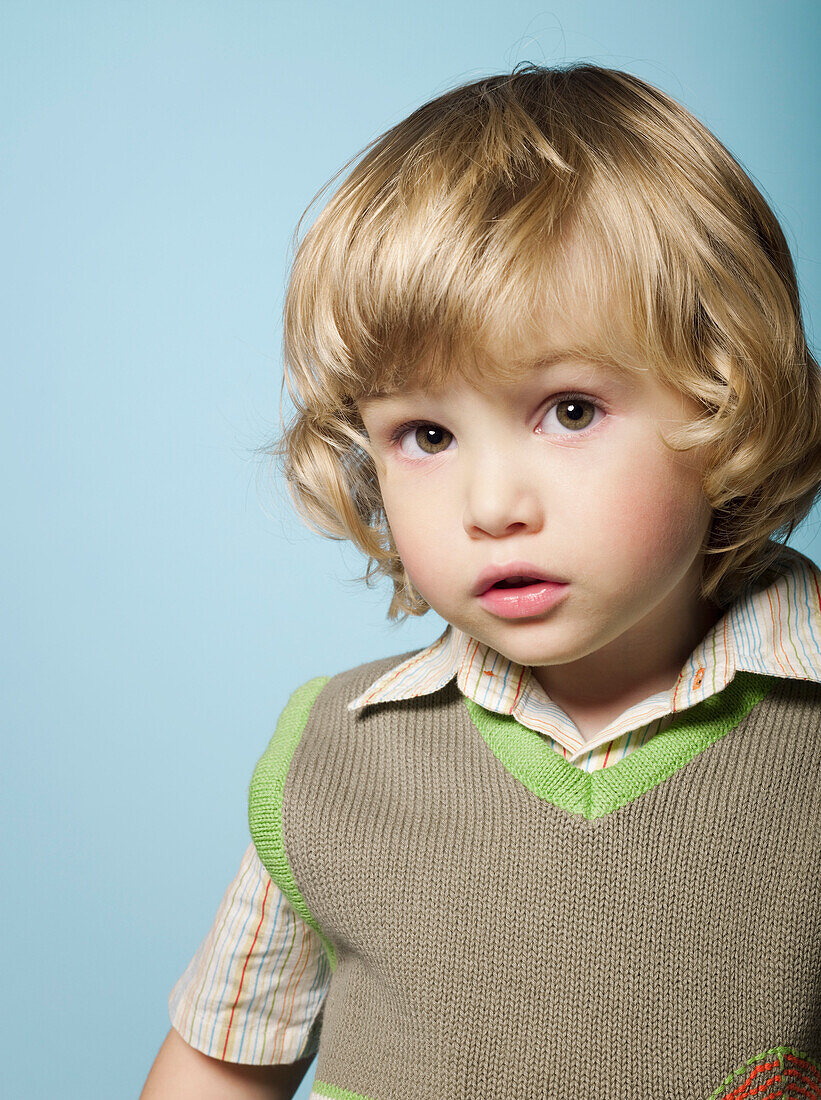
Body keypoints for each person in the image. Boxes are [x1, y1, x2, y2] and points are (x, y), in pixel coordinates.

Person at [140, 63, 821, 1100]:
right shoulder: (332, 758)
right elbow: (221, 1060)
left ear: (725, 388)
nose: (489, 500)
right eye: (424, 433)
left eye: (570, 409)